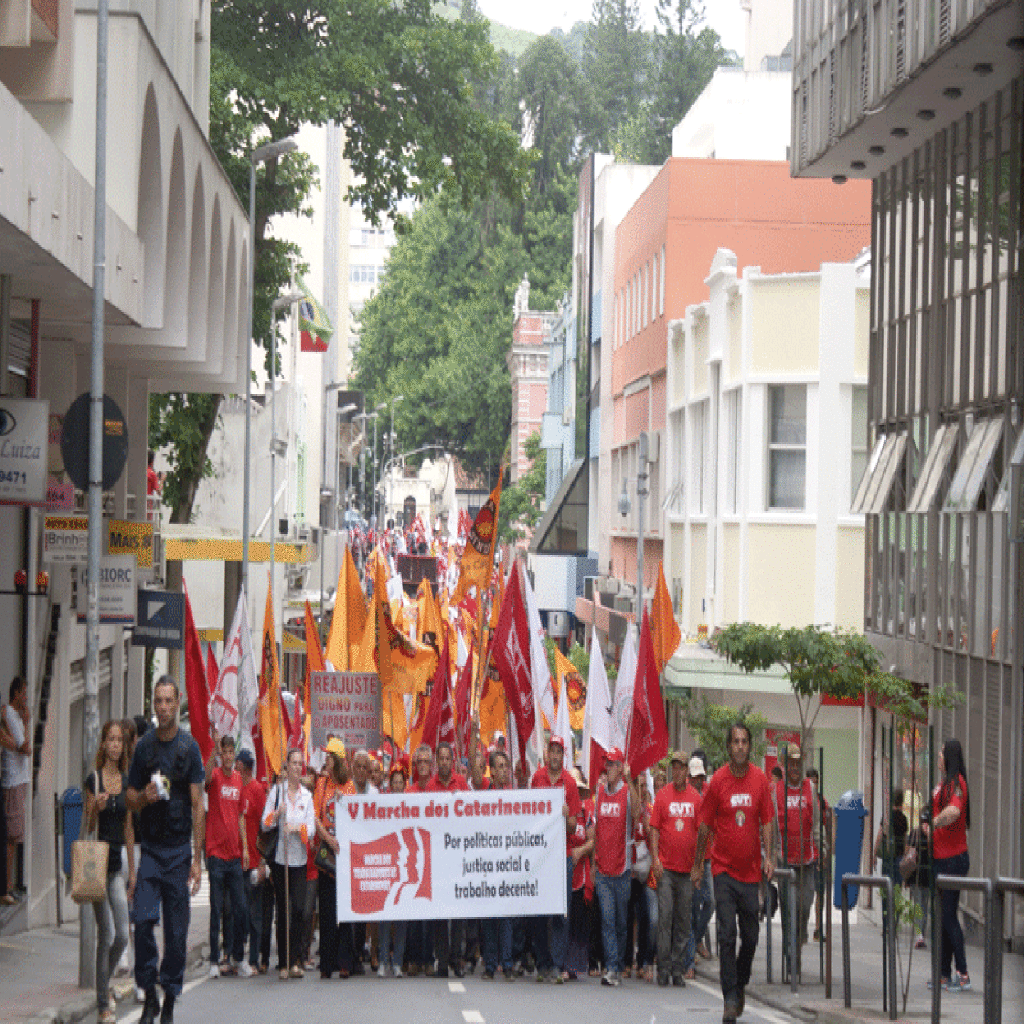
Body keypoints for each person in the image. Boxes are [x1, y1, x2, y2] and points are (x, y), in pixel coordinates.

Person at [125, 677, 205, 1024]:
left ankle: (170, 996)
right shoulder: (144, 748)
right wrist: (143, 797)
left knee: (176, 935)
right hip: (152, 852)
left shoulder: (189, 749)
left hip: (177, 853)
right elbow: (129, 796)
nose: (163, 707)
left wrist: (197, 860)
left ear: (178, 703)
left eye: (169, 701)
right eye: (158, 701)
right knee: (142, 923)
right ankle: (149, 995)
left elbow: (198, 805)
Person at [692, 723, 775, 1024]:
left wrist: (771, 856)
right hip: (723, 869)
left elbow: (767, 821)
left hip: (751, 872)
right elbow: (704, 825)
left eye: (744, 741)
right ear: (728, 747)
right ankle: (729, 998)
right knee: (727, 934)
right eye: (735, 742)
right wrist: (698, 864)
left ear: (749, 746)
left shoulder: (760, 780)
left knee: (750, 937)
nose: (740, 746)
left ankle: (740, 984)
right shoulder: (717, 783)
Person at [85, 720, 136, 1024]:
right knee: (107, 934)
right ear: (103, 744)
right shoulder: (93, 780)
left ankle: (102, 984)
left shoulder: (127, 782)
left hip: (117, 868)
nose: (115, 744)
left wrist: (133, 872)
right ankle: (103, 1002)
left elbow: (129, 829)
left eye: (119, 740)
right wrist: (96, 809)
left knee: (121, 936)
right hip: (95, 867)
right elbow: (88, 826)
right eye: (111, 739)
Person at [529, 735, 582, 983]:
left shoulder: (570, 784)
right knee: (539, 913)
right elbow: (529, 814)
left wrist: (566, 815)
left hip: (563, 857)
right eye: (551, 751)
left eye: (559, 752)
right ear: (546, 754)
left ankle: (557, 964)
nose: (555, 756)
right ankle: (542, 964)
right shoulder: (537, 779)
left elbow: (574, 827)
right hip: (541, 856)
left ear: (563, 756)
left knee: (562, 913)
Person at [262, 746, 316, 980]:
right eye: (292, 763)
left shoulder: (307, 796)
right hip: (281, 860)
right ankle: (283, 962)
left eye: (299, 763)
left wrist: (297, 828)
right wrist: (276, 814)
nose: (296, 767)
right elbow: (265, 824)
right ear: (286, 766)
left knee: (300, 910)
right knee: (283, 910)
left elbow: (311, 830)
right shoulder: (277, 792)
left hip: (299, 860)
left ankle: (295, 960)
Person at [650, 750, 701, 987]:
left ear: (688, 771)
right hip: (667, 870)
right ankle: (663, 967)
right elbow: (654, 829)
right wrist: (655, 860)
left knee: (683, 921)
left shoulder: (696, 798)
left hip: (687, 871)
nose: (678, 771)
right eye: (675, 767)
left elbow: (703, 833)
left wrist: (699, 866)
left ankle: (678, 969)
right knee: (665, 918)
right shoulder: (662, 796)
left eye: (682, 767)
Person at [926, 738, 971, 993]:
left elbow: (953, 812)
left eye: (942, 753)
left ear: (950, 756)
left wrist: (933, 823)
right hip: (941, 857)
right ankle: (943, 974)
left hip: (952, 859)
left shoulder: (957, 784)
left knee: (949, 917)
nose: (939, 757)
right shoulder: (944, 785)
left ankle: (962, 973)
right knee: (943, 918)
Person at [594, 747, 641, 987]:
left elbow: (638, 812)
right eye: (607, 764)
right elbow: (596, 829)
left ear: (620, 768)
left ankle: (619, 964)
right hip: (603, 870)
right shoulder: (600, 793)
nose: (608, 768)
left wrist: (632, 781)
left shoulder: (627, 792)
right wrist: (594, 864)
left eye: (612, 764)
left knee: (622, 923)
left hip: (622, 870)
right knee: (607, 920)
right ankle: (611, 968)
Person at [771, 744, 819, 965]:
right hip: (784, 860)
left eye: (798, 763)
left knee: (805, 905)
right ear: (785, 765)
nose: (795, 768)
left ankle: (797, 941)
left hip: (807, 859)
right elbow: (771, 826)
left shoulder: (810, 788)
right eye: (791, 763)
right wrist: (771, 855)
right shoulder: (777, 790)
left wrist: (822, 846)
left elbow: (817, 821)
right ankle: (790, 952)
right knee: (787, 908)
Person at [204, 732, 247, 977]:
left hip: (234, 855)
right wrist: (213, 752)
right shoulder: (217, 777)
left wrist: (246, 849)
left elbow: (241, 815)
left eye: (232, 752)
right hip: (216, 854)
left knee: (240, 908)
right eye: (226, 752)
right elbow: (206, 776)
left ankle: (237, 956)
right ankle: (213, 960)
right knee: (216, 909)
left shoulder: (239, 779)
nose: (229, 756)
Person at [426, 741, 467, 977]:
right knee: (440, 912)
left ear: (452, 761)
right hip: (438, 857)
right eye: (439, 758)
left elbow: (473, 811)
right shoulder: (430, 787)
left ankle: (457, 959)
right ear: (436, 762)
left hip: (458, 855)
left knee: (459, 912)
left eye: (446, 758)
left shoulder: (460, 784)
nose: (443, 762)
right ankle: (442, 960)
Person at [314, 738, 352, 978]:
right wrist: (328, 839)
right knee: (327, 911)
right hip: (327, 855)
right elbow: (315, 816)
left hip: (345, 856)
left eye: (329, 757)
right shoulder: (321, 783)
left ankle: (345, 962)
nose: (326, 760)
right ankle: (326, 963)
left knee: (345, 912)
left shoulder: (349, 787)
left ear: (337, 760)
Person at [481, 749, 518, 981]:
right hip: (487, 865)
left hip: (507, 865)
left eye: (506, 766)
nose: (505, 770)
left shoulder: (515, 796)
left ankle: (507, 963)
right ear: (492, 771)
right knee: (489, 918)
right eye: (500, 766)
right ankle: (489, 964)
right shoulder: (484, 795)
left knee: (506, 917)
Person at [237, 748, 268, 974]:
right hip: (235, 860)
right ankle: (236, 956)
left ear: (244, 766)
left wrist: (262, 861)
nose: (233, 766)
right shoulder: (235, 787)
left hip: (254, 860)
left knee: (255, 913)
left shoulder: (257, 790)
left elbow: (264, 827)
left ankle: (255, 958)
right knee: (238, 911)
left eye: (237, 762)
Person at [378, 762, 410, 977]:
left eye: (401, 782)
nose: (397, 786)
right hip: (387, 866)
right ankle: (382, 960)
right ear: (390, 785)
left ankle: (397, 961)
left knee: (401, 918)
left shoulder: (411, 806)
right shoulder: (381, 804)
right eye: (394, 782)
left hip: (405, 866)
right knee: (384, 917)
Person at [1, 676, 31, 901]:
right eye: (25, 693)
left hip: (18, 780)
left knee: (14, 834)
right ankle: (7, 885)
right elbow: (25, 748)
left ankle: (8, 884)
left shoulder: (15, 716)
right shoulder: (11, 714)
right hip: (13, 780)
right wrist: (28, 723)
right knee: (11, 835)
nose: (27, 698)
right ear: (17, 693)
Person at [565, 765, 595, 980]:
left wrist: (581, 851)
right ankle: (563, 963)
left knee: (578, 920)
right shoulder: (563, 811)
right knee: (564, 919)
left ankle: (575, 964)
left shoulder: (587, 813)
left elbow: (593, 841)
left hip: (581, 873)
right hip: (564, 872)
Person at [688, 752, 714, 966]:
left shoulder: (708, 792)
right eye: (695, 777)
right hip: (689, 859)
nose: (698, 781)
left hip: (707, 858)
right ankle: (692, 946)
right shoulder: (685, 792)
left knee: (710, 902)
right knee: (694, 903)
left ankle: (697, 939)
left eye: (701, 777)